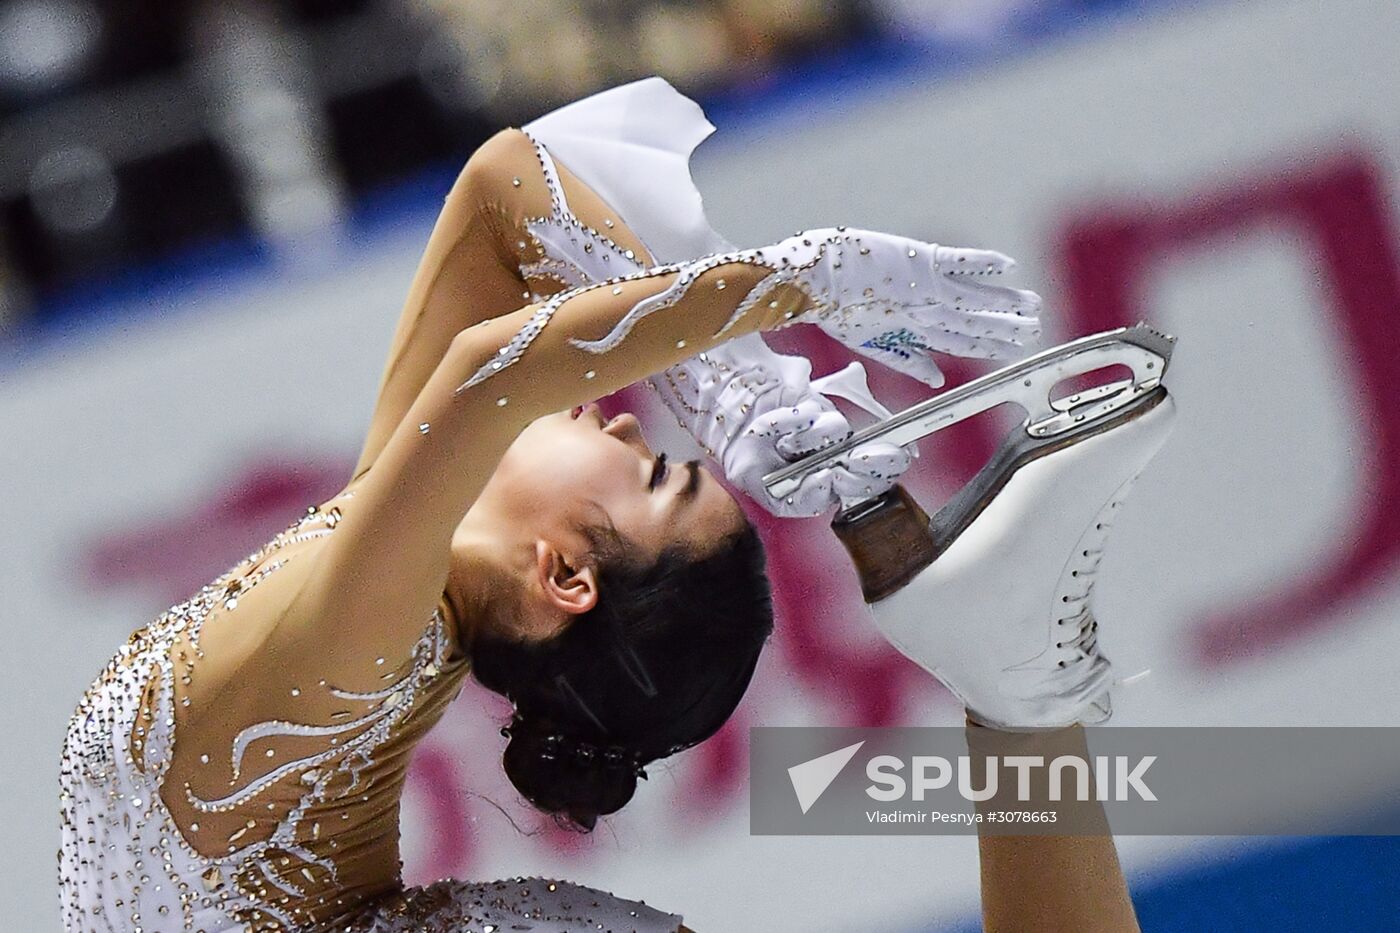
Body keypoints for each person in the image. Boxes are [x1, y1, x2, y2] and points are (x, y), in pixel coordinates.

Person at [57, 77, 1141, 932]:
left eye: (660, 476)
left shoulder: (360, 641)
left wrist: (798, 283)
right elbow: (507, 185)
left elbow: (494, 371)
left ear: (564, 576)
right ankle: (1018, 704)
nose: (631, 426)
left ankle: (1016, 703)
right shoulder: (403, 567)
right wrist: (738, 388)